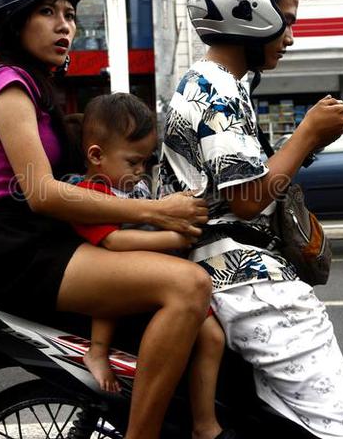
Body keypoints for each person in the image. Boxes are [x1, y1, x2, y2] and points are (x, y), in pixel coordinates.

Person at [0, 0, 213, 439]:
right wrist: (155, 210)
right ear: (12, 24)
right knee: (188, 285)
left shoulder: (41, 91)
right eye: (46, 12)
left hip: (44, 244)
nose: (64, 25)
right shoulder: (7, 84)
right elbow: (43, 191)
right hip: (18, 253)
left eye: (69, 14)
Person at [158, 0, 343, 439]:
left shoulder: (223, 85)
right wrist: (307, 134)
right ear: (250, 13)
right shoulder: (214, 89)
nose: (291, 39)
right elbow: (250, 199)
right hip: (246, 282)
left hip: (236, 278)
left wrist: (312, 138)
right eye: (288, 22)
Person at [69, 92, 229, 439]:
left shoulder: (135, 187)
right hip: (111, 278)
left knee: (214, 336)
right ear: (96, 156)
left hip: (152, 272)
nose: (141, 170)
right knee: (108, 292)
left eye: (145, 162)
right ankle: (98, 353)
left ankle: (204, 424)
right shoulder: (92, 193)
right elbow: (114, 241)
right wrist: (174, 238)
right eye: (133, 162)